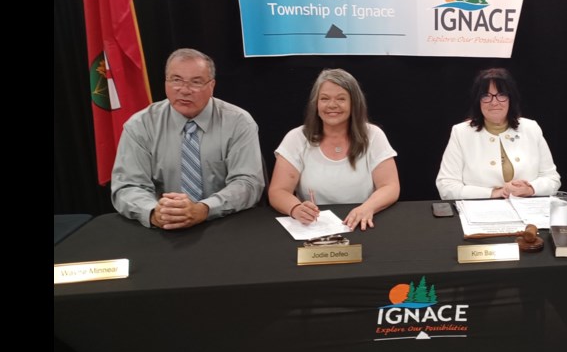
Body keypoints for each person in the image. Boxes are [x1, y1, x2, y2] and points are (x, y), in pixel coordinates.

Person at [111, 48, 265, 229]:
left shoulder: (238, 122)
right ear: (166, 82)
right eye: (176, 80)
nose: (184, 90)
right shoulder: (141, 125)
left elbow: (248, 183)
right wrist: (154, 212)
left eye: (196, 82)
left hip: (223, 225)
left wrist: (204, 209)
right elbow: (127, 186)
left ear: (211, 86)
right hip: (164, 229)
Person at [269, 68, 399, 231]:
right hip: (313, 228)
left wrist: (368, 207)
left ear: (354, 103)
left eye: (341, 99)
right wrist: (295, 208)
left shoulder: (373, 135)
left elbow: (390, 186)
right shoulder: (296, 138)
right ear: (316, 104)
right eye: (324, 99)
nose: (332, 105)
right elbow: (278, 191)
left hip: (362, 223)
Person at [436, 68, 561, 199]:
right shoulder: (461, 132)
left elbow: (553, 179)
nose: (494, 102)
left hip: (528, 211)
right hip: (480, 212)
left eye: (501, 95)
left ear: (510, 99)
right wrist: (494, 193)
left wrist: (530, 189)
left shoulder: (531, 128)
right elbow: (446, 187)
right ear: (478, 101)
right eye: (486, 96)